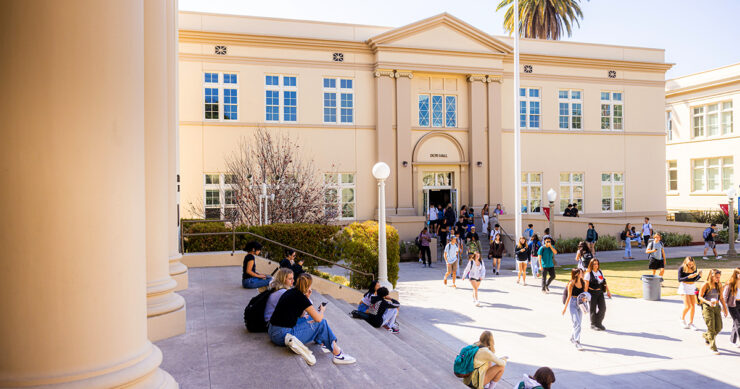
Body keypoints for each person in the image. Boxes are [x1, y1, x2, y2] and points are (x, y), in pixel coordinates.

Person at [268, 273, 356, 365]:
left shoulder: (291, 292)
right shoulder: (301, 298)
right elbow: (318, 319)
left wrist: (307, 297)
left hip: (273, 330)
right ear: (309, 285)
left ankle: (325, 342)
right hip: (281, 336)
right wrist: (322, 310)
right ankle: (338, 355)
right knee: (321, 322)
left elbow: (301, 315)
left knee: (310, 318)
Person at [698, 269, 729, 354]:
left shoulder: (719, 284)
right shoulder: (706, 284)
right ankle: (713, 347)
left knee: (719, 327)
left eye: (719, 277)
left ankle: (706, 335)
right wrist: (708, 302)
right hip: (707, 307)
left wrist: (725, 309)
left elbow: (722, 298)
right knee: (711, 327)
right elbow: (700, 297)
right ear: (711, 276)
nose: (718, 279)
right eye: (716, 277)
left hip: (716, 307)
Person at [562, 268, 586, 351]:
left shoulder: (583, 282)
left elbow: (584, 294)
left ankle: (572, 337)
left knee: (578, 323)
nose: (582, 274)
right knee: (577, 323)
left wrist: (585, 300)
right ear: (576, 274)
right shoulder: (571, 283)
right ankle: (577, 342)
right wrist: (565, 308)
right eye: (580, 273)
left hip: (580, 303)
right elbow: (568, 296)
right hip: (572, 303)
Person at [584, 259, 611, 331]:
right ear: (591, 265)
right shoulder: (588, 274)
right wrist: (585, 296)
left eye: (597, 264)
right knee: (593, 309)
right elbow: (586, 286)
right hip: (592, 293)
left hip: (600, 293)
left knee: (603, 308)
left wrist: (608, 291)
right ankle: (593, 324)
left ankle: (598, 323)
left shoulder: (600, 272)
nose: (596, 265)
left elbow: (604, 282)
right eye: (594, 264)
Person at [678, 257, 702, 330]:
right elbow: (679, 279)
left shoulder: (694, 268)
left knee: (693, 306)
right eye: (689, 264)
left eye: (692, 264)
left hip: (692, 287)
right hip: (684, 287)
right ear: (686, 263)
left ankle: (691, 323)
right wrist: (688, 276)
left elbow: (694, 279)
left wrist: (699, 276)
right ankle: (682, 319)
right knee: (687, 306)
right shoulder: (681, 268)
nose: (690, 265)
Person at [723, 268, 740, 347]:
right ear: (736, 274)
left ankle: (732, 341)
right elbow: (724, 296)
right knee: (738, 323)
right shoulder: (730, 283)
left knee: (735, 322)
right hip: (732, 305)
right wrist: (724, 308)